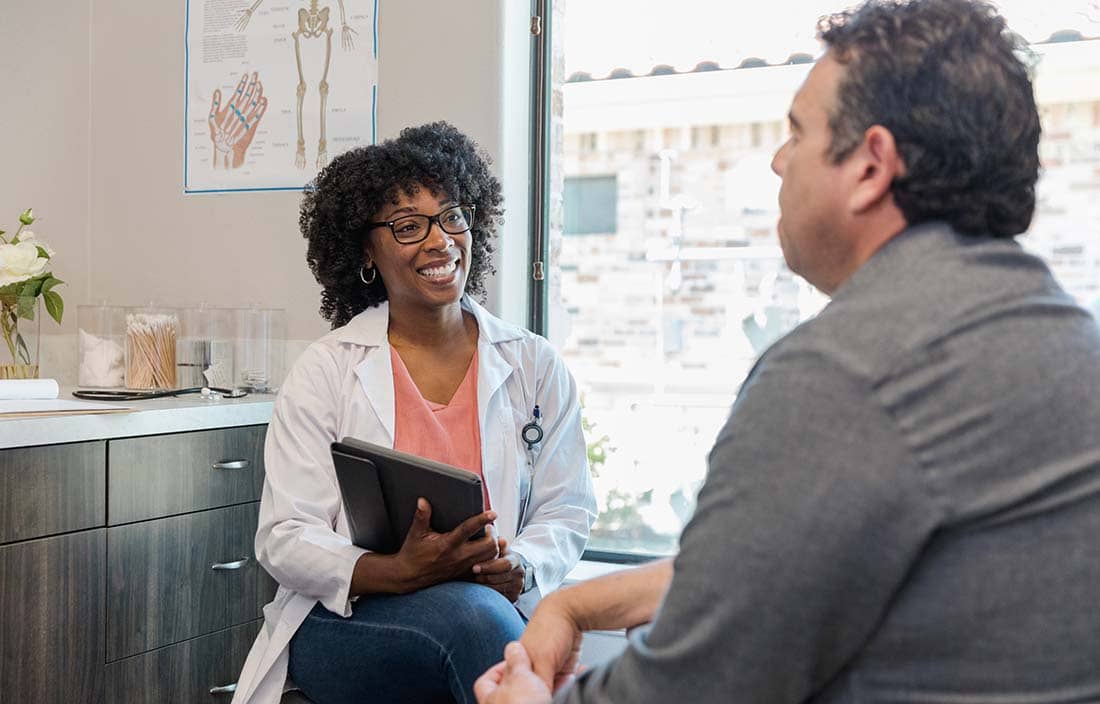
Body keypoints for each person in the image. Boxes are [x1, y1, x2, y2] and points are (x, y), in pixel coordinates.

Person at [476, 0, 1100, 702]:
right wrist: (573, 603)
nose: (777, 161)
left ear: (870, 167)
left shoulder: (846, 373)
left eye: (797, 134)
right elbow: (768, 567)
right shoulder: (1064, 337)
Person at [232, 121, 597, 704]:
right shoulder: (328, 370)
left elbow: (567, 508)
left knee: (480, 619)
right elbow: (284, 536)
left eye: (452, 215)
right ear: (365, 253)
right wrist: (396, 571)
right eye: (408, 226)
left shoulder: (533, 364)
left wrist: (521, 566)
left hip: (491, 607)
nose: (440, 241)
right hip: (348, 621)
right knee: (480, 626)